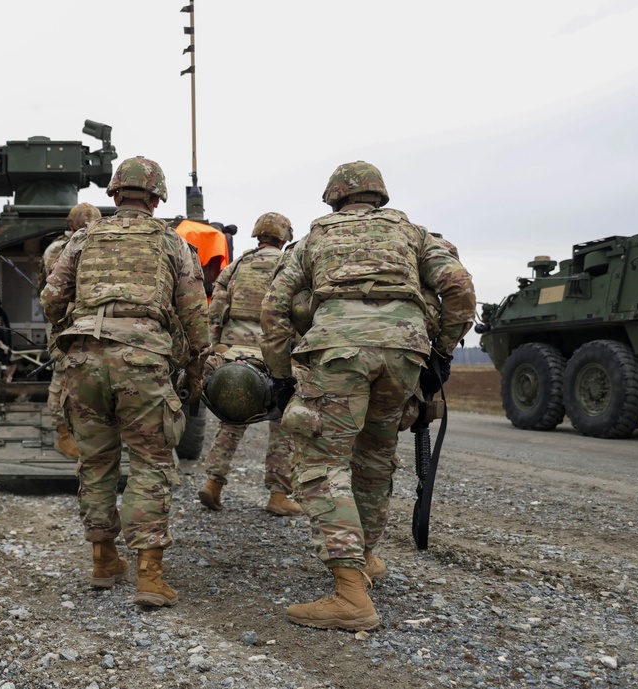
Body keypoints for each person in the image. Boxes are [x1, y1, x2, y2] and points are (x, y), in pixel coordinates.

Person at [261, 161, 475, 631]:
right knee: (376, 455)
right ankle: (368, 558)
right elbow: (457, 286)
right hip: (404, 350)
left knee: (322, 461)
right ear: (380, 196)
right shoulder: (413, 233)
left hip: (339, 349)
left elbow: (275, 304)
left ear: (334, 198)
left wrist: (280, 375)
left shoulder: (316, 236)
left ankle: (349, 596)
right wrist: (440, 351)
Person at [41, 156, 209, 608]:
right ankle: (149, 577)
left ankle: (102, 561)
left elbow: (52, 296)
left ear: (114, 195)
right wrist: (194, 370)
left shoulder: (83, 238)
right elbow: (195, 312)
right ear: (157, 198)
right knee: (152, 461)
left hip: (84, 359)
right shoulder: (172, 242)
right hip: (143, 359)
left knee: (95, 461)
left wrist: (65, 343)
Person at [197, 212, 302, 517]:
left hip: (234, 351)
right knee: (285, 423)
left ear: (258, 235)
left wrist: (216, 345)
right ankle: (279, 494)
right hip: (274, 352)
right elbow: (298, 311)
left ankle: (213, 484)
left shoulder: (237, 265)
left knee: (233, 416)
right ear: (284, 238)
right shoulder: (289, 265)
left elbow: (215, 308)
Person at [40, 202, 102, 458]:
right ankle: (64, 434)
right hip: (64, 323)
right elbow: (58, 293)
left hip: (90, 321)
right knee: (63, 376)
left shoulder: (99, 244)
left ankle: (89, 431)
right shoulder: (57, 250)